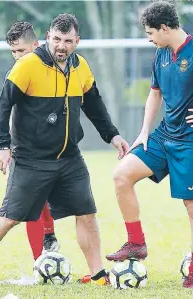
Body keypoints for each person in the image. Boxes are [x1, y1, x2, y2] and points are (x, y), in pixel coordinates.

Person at [0, 13, 129, 287]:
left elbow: (94, 104)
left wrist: (112, 135)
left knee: (86, 214)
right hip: (31, 159)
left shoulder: (81, 66)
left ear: (77, 41)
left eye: (67, 41)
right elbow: (1, 106)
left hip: (70, 158)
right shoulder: (28, 65)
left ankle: (98, 274)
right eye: (56, 39)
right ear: (48, 37)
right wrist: (3, 145)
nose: (60, 46)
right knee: (9, 217)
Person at [105, 1, 193, 289]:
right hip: (163, 136)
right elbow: (154, 94)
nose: (149, 38)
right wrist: (144, 132)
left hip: (190, 143)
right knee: (122, 175)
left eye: (151, 32)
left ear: (165, 28)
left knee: (191, 204)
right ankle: (136, 243)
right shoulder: (161, 54)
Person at [5, 21, 60, 261]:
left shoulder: (56, 69)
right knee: (31, 204)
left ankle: (49, 236)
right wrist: (5, 145)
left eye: (22, 51)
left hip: (54, 148)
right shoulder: (17, 74)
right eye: (13, 52)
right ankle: (41, 259)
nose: (17, 57)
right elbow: (5, 110)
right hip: (24, 149)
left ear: (36, 45)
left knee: (45, 198)